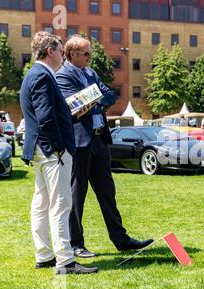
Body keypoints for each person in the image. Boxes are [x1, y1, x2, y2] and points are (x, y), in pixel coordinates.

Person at [56, 35, 153, 258]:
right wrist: (95, 100)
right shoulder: (63, 76)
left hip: (100, 140)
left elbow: (110, 96)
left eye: (91, 52)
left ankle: (121, 239)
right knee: (76, 195)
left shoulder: (91, 73)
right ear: (73, 54)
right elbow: (75, 107)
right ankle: (76, 244)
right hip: (80, 144)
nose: (91, 57)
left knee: (108, 192)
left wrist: (93, 100)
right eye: (86, 53)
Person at [20, 31, 97, 275]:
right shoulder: (43, 75)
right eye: (61, 51)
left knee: (41, 203)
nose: (63, 55)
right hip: (52, 151)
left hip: (42, 151)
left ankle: (44, 256)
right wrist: (59, 147)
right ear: (50, 51)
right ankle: (65, 260)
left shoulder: (34, 74)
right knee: (61, 204)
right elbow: (45, 117)